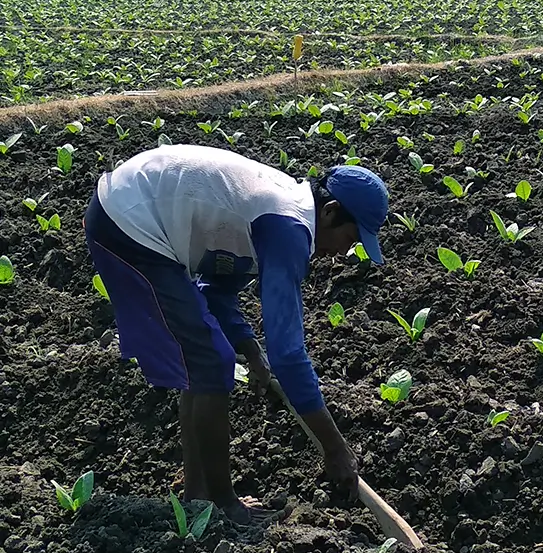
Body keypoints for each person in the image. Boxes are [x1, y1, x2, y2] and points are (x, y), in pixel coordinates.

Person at [83, 145, 389, 524]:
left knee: (205, 360)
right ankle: (224, 504)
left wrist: (251, 351)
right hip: (130, 221)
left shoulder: (279, 214)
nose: (344, 252)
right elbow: (288, 354)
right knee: (210, 361)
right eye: (351, 237)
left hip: (127, 207)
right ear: (329, 211)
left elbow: (216, 292)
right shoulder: (289, 228)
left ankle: (199, 498)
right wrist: (334, 447)